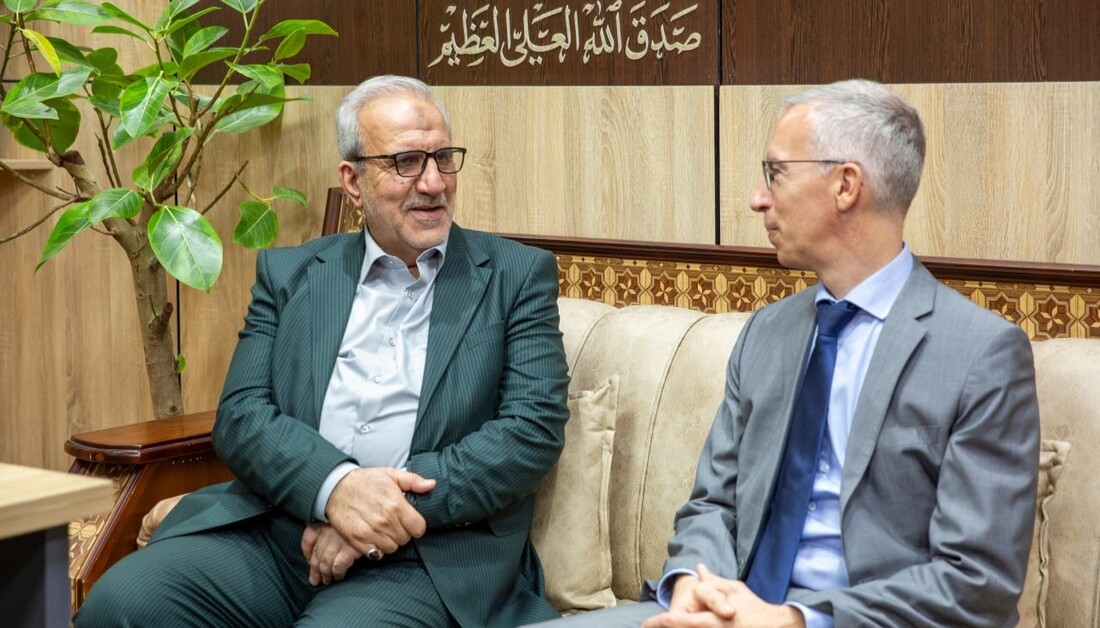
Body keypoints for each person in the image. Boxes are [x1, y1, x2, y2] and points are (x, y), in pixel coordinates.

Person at [531, 79, 1040, 627]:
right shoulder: (768, 332)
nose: (758, 198)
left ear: (846, 185)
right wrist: (693, 588)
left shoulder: (981, 354)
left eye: (776, 173)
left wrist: (794, 619)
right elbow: (713, 504)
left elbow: (975, 582)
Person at [76, 75, 571, 627]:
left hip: (428, 554)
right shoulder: (291, 273)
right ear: (353, 181)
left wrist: (376, 509)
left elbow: (531, 431)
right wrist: (334, 491)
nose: (433, 183)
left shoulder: (514, 275)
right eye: (406, 162)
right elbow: (242, 416)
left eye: (443, 159)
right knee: (120, 607)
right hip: (282, 529)